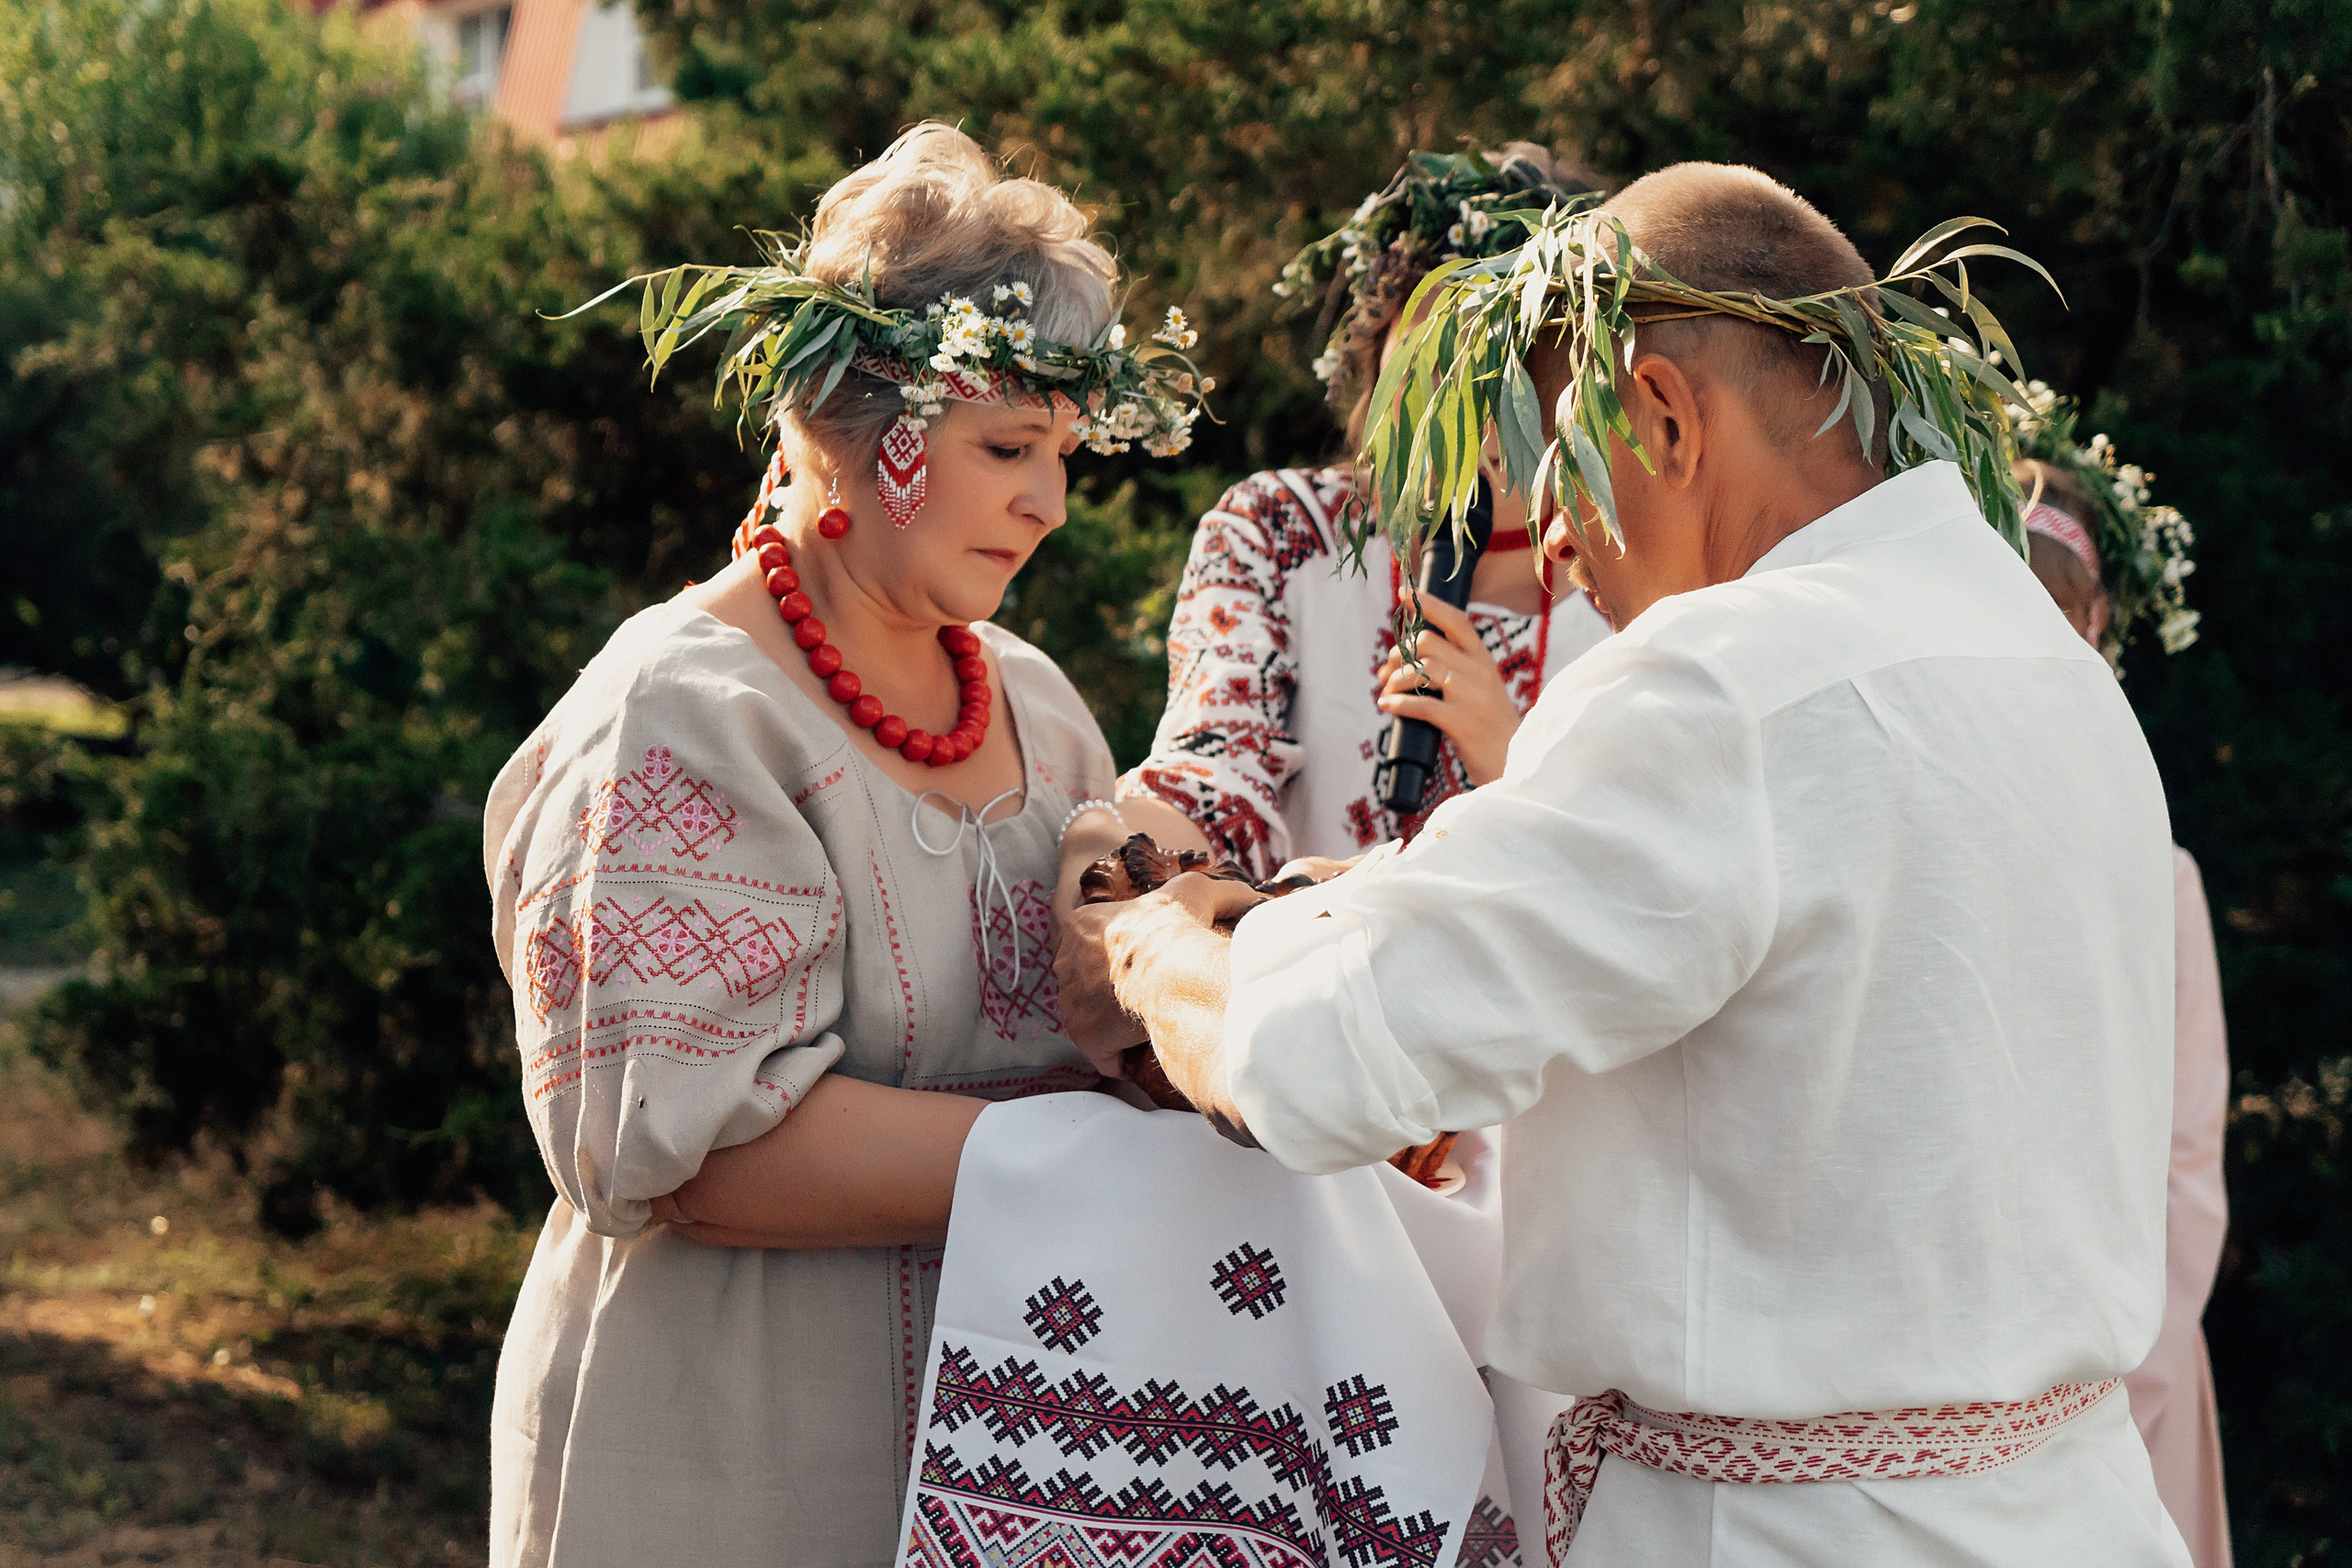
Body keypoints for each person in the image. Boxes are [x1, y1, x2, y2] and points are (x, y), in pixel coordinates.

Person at [1057, 164, 2192, 1567]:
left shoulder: (1723, 677)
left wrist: (1152, 949)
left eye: (1556, 460)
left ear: (1660, 412)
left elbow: (1318, 1052)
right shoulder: (2047, 666)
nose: (1561, 545)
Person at [480, 124, 1203, 1568]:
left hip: (1008, 1431)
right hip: (732, 1444)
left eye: (1062, 456)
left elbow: (1101, 1013)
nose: (1048, 504)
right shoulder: (682, 713)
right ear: (855, 434)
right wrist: (1108, 1157)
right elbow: (704, 1157)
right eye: (1008, 449)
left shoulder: (1038, 702)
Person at [1114, 147, 1613, 878]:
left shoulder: (1640, 579)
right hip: (1286, 966)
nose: (1447, 402)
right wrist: (1119, 844)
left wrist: (1513, 762)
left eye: (1486, 360)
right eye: (1420, 360)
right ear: (1374, 359)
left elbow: (1646, 879)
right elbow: (1212, 774)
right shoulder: (1277, 533)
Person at [2014, 400, 2230, 1568]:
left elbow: (2184, 1152)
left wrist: (2131, 1368)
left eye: (2057, 618)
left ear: (2097, 628)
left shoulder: (2160, 871)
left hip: (2126, 1349)